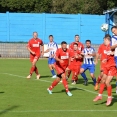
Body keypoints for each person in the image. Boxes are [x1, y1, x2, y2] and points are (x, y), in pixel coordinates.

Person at [93, 38, 116, 106]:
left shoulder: (112, 46)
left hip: (112, 66)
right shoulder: (105, 47)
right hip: (106, 66)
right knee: (102, 80)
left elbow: (115, 52)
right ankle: (100, 95)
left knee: (107, 82)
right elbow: (107, 56)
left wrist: (113, 53)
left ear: (107, 40)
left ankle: (109, 97)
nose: (103, 42)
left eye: (104, 40)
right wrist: (105, 60)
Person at [110, 26, 117, 93]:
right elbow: (111, 47)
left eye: (114, 31)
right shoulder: (113, 38)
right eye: (113, 32)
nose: (114, 33)